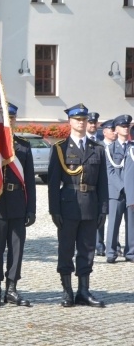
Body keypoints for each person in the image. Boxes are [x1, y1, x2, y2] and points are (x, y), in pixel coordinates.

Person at [48, 103, 108, 308]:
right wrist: (54, 209)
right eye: (77, 120)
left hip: (91, 205)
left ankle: (84, 291)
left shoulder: (97, 149)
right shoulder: (60, 148)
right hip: (68, 205)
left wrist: (104, 209)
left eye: (84, 120)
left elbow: (103, 183)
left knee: (87, 250)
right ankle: (67, 291)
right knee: (66, 249)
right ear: (70, 122)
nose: (81, 123)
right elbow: (53, 183)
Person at [0, 103, 36, 306]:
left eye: (11, 118)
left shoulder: (23, 146)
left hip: (17, 203)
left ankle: (12, 288)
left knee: (16, 247)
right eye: (5, 118)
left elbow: (30, 181)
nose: (8, 121)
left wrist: (31, 208)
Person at [104, 115, 132, 263]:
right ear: (116, 129)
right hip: (116, 192)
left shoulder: (132, 147)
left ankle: (131, 252)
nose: (126, 128)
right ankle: (111, 252)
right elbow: (110, 172)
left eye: (127, 126)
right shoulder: (109, 149)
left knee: (131, 224)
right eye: (123, 126)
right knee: (114, 223)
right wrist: (123, 187)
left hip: (131, 192)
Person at [96, 119, 116, 256]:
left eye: (115, 129)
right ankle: (99, 244)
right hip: (102, 187)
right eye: (111, 129)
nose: (114, 132)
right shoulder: (99, 147)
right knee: (100, 215)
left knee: (115, 218)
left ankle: (114, 243)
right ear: (104, 132)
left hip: (115, 188)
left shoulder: (119, 147)